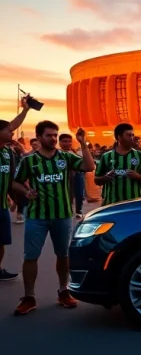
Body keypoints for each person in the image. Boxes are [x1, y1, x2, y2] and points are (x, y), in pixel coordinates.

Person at [10, 121, 95, 315]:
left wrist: (83, 143)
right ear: (39, 137)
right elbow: (14, 183)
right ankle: (29, 296)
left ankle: (63, 291)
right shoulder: (29, 160)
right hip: (36, 216)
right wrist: (26, 191)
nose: (54, 139)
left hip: (62, 215)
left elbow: (89, 166)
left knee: (63, 255)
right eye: (49, 135)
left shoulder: (65, 157)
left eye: (55, 135)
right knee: (31, 256)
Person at [0, 97, 32, 281]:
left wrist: (16, 196)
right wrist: (25, 111)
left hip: (1, 204)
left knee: (2, 240)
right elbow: (12, 124)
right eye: (8, 130)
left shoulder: (7, 152)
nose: (12, 132)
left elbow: (11, 179)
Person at [94, 123, 141, 205]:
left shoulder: (140, 155)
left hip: (134, 203)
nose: (132, 138)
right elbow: (96, 180)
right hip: (112, 204)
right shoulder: (106, 156)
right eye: (128, 135)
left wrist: (138, 176)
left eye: (132, 135)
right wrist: (106, 177)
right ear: (119, 137)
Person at [59, 133, 87, 220]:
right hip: (64, 177)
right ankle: (68, 210)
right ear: (59, 142)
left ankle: (79, 211)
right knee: (67, 194)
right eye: (64, 141)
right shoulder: (57, 154)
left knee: (79, 194)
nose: (67, 143)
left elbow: (85, 164)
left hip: (78, 175)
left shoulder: (76, 152)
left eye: (69, 141)